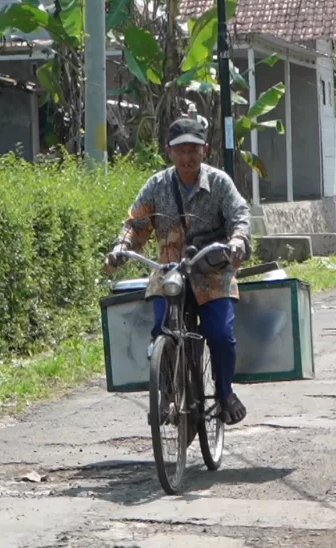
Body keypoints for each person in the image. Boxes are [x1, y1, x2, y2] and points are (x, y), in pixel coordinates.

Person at [103, 118, 251, 425]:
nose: (187, 157)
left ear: (205, 150)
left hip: (212, 274)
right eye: (181, 150)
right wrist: (121, 248)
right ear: (169, 152)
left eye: (193, 150)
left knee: (221, 335)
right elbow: (135, 225)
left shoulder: (220, 183)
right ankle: (167, 394)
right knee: (163, 330)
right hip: (168, 272)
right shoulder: (156, 185)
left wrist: (237, 240)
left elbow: (240, 215)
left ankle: (225, 393)